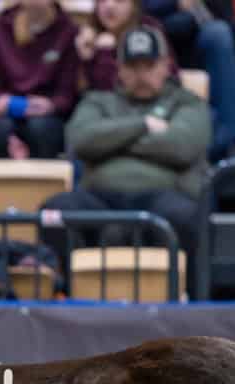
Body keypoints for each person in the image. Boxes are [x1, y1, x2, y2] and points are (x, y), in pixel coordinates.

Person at [42, 25, 208, 268]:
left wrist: (112, 142)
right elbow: (81, 141)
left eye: (149, 65)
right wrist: (143, 125)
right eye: (132, 66)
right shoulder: (98, 101)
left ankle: (185, 290)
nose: (141, 74)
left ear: (165, 66)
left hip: (163, 196)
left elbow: (182, 146)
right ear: (119, 68)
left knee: (186, 216)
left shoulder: (187, 102)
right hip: (99, 199)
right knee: (53, 213)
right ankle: (67, 288)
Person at [0, 0, 80, 159]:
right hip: (7, 111)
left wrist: (51, 105)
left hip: (48, 115)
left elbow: (67, 93)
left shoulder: (68, 31)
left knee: (41, 128)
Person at [142, 0, 235, 160]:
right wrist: (175, 4)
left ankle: (227, 142)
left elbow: (222, 12)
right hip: (149, 24)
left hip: (193, 30)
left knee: (219, 33)